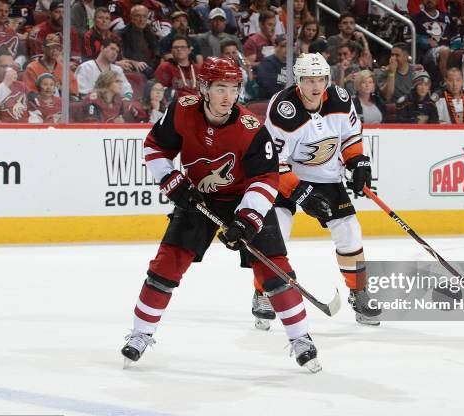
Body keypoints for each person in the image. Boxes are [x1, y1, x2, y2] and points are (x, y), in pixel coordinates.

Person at [120, 56, 321, 373]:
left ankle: (300, 338)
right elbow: (155, 146)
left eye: (233, 88)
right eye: (220, 88)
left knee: (276, 270)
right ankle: (141, 333)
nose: (228, 97)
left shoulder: (250, 129)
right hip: (198, 199)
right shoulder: (182, 110)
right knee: (165, 264)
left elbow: (266, 178)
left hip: (244, 200)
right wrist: (170, 179)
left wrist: (248, 218)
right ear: (204, 88)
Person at [249, 53, 382, 329]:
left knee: (349, 230)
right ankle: (262, 293)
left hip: (326, 176)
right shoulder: (283, 109)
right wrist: (300, 193)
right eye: (309, 80)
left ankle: (358, 293)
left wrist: (358, 162)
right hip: (285, 178)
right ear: (298, 81)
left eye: (321, 79)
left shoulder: (341, 99)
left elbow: (349, 137)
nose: (316, 85)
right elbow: (275, 161)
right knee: (276, 233)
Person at [23, 33, 79, 97]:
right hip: (41, 104)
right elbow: (30, 94)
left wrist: (62, 88)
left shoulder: (64, 68)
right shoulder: (32, 68)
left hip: (61, 104)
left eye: (58, 48)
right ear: (43, 48)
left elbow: (75, 93)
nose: (55, 51)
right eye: (51, 47)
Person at [256, 34, 287, 99]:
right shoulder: (267, 63)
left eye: (290, 46)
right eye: (283, 46)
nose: (287, 49)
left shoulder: (294, 62)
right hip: (269, 102)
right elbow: (269, 89)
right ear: (275, 46)